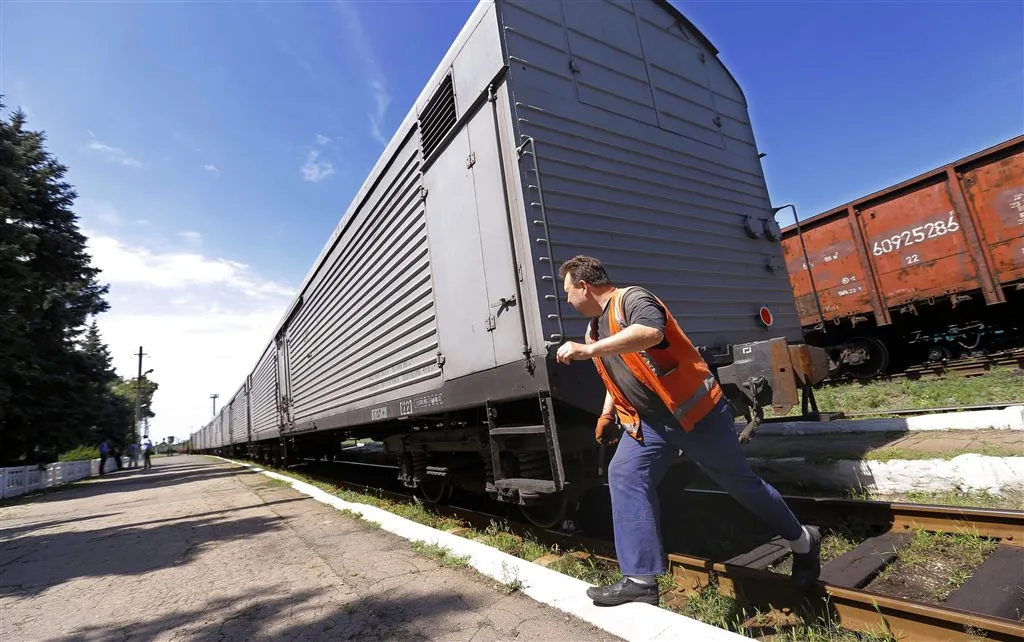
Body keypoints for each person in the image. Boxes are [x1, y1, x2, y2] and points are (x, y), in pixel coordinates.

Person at [554, 255, 821, 607]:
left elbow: (649, 334)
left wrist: (589, 351)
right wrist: (607, 413)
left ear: (584, 286)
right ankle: (640, 579)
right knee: (624, 475)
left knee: (740, 484)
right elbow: (619, 372)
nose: (567, 299)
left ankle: (802, 540)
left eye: (568, 291)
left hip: (695, 415)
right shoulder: (594, 327)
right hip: (652, 424)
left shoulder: (631, 300)